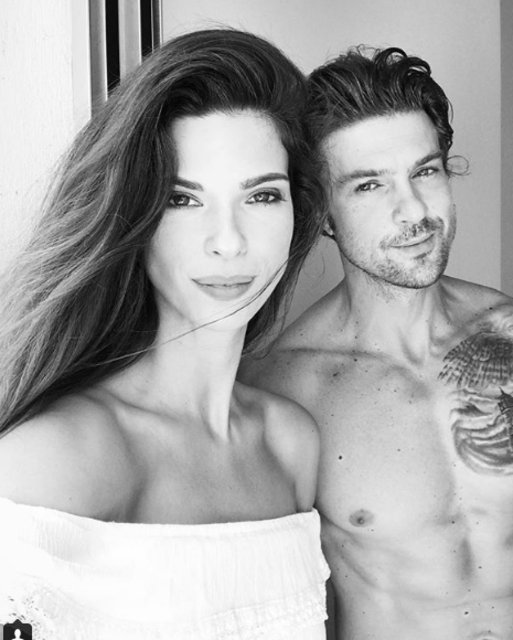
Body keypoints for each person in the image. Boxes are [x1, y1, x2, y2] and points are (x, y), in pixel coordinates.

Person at [0, 28, 330, 638]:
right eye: (182, 200)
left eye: (262, 195)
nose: (228, 241)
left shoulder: (291, 445)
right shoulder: (58, 457)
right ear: (134, 214)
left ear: (299, 213)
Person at [240, 46, 513, 639]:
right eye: (369, 185)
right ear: (322, 214)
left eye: (425, 171)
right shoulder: (281, 391)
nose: (413, 210)